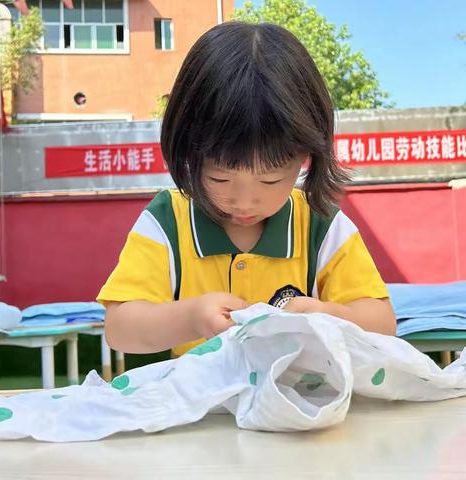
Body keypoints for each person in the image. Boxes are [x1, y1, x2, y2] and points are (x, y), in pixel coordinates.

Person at [97, 21, 396, 356]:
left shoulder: (320, 224)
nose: (243, 201)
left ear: (306, 157)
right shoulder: (168, 220)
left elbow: (383, 323)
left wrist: (331, 316)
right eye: (220, 179)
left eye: (270, 181)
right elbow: (120, 329)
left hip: (298, 403)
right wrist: (191, 318)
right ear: (186, 152)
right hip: (203, 406)